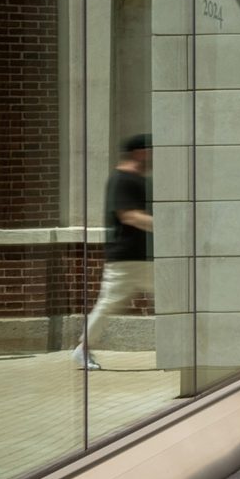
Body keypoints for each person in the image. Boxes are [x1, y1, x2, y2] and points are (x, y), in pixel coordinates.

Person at [73, 133, 153, 371]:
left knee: (178, 296)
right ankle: (82, 349)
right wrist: (164, 225)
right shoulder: (122, 179)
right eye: (151, 150)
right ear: (140, 152)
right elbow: (127, 215)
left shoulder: (139, 179)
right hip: (126, 258)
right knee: (107, 303)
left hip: (142, 257)